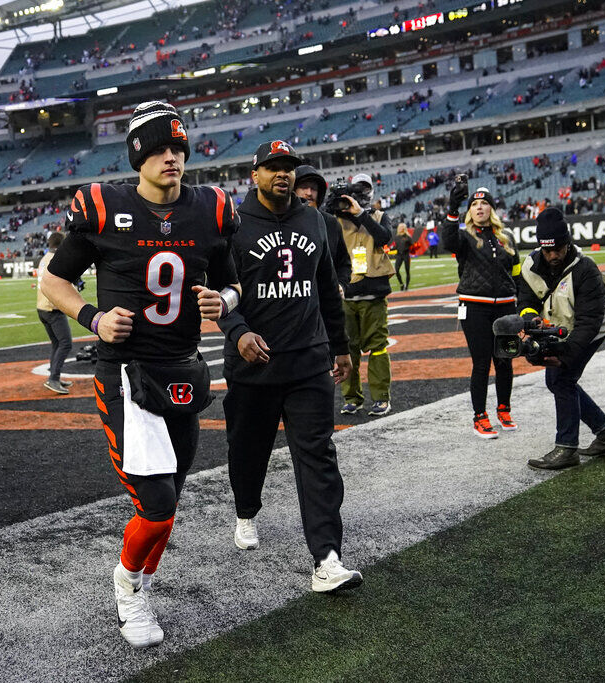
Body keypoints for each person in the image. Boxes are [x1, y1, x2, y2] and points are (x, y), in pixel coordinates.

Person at [40, 101, 240, 648]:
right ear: (137, 156)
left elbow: (233, 281)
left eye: (177, 148)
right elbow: (53, 282)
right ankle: (128, 589)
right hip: (126, 373)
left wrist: (221, 299)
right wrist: (93, 318)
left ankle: (143, 579)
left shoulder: (212, 209)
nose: (171, 158)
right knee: (155, 504)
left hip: (183, 369)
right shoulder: (104, 207)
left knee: (169, 501)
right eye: (158, 149)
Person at [218, 139, 362, 594]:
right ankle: (245, 510)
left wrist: (340, 347)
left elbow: (327, 292)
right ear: (254, 174)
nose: (283, 174)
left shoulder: (317, 221)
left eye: (289, 167)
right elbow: (219, 291)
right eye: (274, 167)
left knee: (318, 456)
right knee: (248, 451)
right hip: (253, 365)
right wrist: (238, 331)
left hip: (308, 362)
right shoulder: (232, 224)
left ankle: (327, 557)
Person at [519, 208, 605, 469]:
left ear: (568, 242)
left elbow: (589, 322)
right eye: (548, 250)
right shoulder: (531, 265)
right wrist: (531, 320)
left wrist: (565, 354)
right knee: (558, 380)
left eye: (559, 248)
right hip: (560, 326)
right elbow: (526, 300)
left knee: (562, 378)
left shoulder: (585, 269)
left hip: (592, 327)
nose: (553, 255)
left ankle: (567, 448)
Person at [440, 184, 520, 438]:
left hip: (506, 306)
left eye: (483, 203)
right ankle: (480, 416)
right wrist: (453, 207)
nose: (479, 207)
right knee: (482, 363)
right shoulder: (464, 237)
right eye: (474, 204)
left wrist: (523, 306)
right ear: (470, 211)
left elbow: (517, 273)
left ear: (491, 208)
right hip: (474, 306)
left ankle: (504, 409)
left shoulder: (506, 237)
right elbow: (447, 241)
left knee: (505, 360)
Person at [335, 173, 395, 417]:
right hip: (346, 296)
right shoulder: (337, 219)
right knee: (347, 350)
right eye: (356, 188)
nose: (361, 192)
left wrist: (361, 213)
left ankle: (381, 397)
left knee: (378, 347)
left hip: (373, 295)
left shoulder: (380, 216)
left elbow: (384, 237)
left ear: (371, 191)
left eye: (365, 188)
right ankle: (352, 397)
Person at [292, 165, 351, 295]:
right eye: (303, 187)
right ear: (293, 190)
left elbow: (344, 263)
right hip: (295, 304)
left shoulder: (330, 223)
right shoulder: (283, 222)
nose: (309, 193)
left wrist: (341, 284)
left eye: (313, 188)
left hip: (326, 303)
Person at [36, 232, 74, 394]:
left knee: (57, 343)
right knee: (65, 343)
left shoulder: (44, 259)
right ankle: (53, 379)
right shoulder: (56, 260)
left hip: (42, 306)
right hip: (53, 307)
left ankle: (53, 376)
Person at [393, 223, 415, 291]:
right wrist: (390, 249)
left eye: (402, 227)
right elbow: (396, 246)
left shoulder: (408, 237)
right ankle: (401, 284)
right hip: (399, 255)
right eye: (399, 227)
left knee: (407, 271)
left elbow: (412, 245)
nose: (400, 228)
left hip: (406, 255)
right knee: (396, 270)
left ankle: (407, 286)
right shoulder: (396, 237)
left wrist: (411, 251)